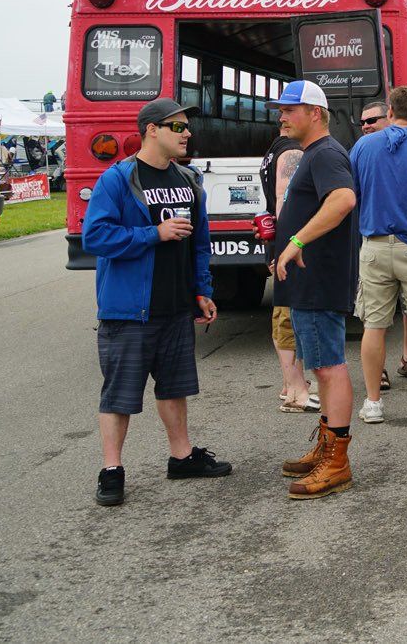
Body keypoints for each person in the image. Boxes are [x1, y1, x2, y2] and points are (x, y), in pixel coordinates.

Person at [82, 97, 230, 506]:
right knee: (119, 395)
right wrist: (153, 234)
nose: (187, 133)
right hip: (128, 310)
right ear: (152, 130)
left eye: (186, 126)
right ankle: (112, 470)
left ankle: (181, 458)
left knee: (174, 388)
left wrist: (202, 291)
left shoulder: (189, 179)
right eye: (178, 126)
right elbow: (95, 237)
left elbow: (200, 243)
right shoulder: (119, 179)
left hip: (175, 306)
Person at [270, 80, 360, 500]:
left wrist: (296, 242)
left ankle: (336, 461)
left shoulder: (325, 153)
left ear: (316, 114)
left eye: (291, 109)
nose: (282, 116)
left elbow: (342, 199)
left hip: (320, 278)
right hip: (309, 280)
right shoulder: (313, 154)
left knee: (328, 366)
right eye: (282, 110)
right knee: (322, 365)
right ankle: (326, 447)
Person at [351, 86, 407, 425]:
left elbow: (352, 193)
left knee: (374, 325)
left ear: (389, 111)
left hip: (374, 244)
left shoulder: (363, 146)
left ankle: (373, 403)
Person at [259, 125, 313, 412]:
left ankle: (289, 383)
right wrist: (290, 245)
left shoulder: (272, 150)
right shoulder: (291, 150)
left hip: (282, 243)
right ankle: (296, 391)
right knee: (289, 316)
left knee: (286, 313)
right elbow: (284, 198)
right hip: (290, 243)